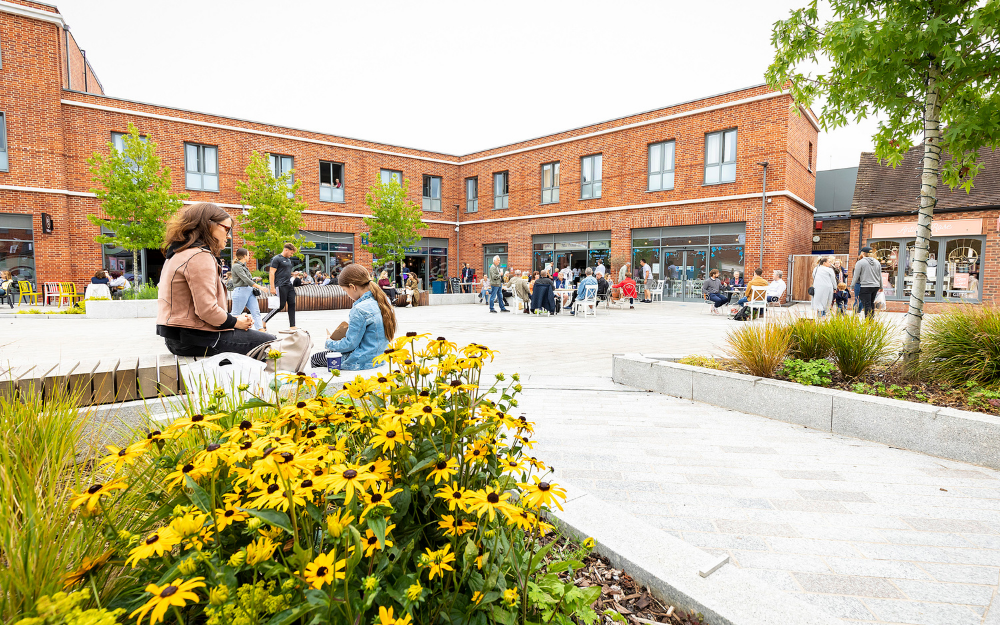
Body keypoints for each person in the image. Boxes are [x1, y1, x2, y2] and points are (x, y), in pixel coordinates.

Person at [156, 202, 275, 357]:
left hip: (179, 337)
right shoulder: (199, 255)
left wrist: (234, 319)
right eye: (226, 229)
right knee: (273, 345)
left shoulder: (179, 253)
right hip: (196, 338)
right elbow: (207, 310)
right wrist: (235, 322)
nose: (229, 235)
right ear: (208, 225)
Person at [311, 264, 396, 371]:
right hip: (380, 358)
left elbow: (349, 344)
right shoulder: (384, 300)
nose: (347, 294)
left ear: (353, 287)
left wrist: (329, 342)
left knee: (315, 358)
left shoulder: (360, 309)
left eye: (345, 290)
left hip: (361, 361)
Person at [227, 247, 263, 330]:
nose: (249, 257)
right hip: (241, 291)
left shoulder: (243, 266)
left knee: (256, 312)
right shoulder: (236, 266)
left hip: (249, 290)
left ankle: (261, 330)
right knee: (235, 314)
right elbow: (245, 279)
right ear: (244, 256)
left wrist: (254, 279)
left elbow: (246, 279)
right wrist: (259, 287)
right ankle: (229, 331)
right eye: (248, 255)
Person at [264, 243, 297, 329]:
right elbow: (271, 273)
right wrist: (272, 287)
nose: (291, 255)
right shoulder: (276, 259)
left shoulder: (289, 260)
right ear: (286, 250)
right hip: (280, 285)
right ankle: (264, 320)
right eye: (291, 253)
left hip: (289, 285)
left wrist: (293, 274)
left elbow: (284, 271)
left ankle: (292, 326)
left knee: (292, 303)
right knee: (280, 306)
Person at [850, 246, 883, 318]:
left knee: (866, 304)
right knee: (871, 303)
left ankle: (868, 321)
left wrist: (852, 286)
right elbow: (880, 275)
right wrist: (881, 286)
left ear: (863, 253)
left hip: (866, 286)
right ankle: (871, 320)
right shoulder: (877, 262)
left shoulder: (860, 262)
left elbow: (856, 276)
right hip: (875, 286)